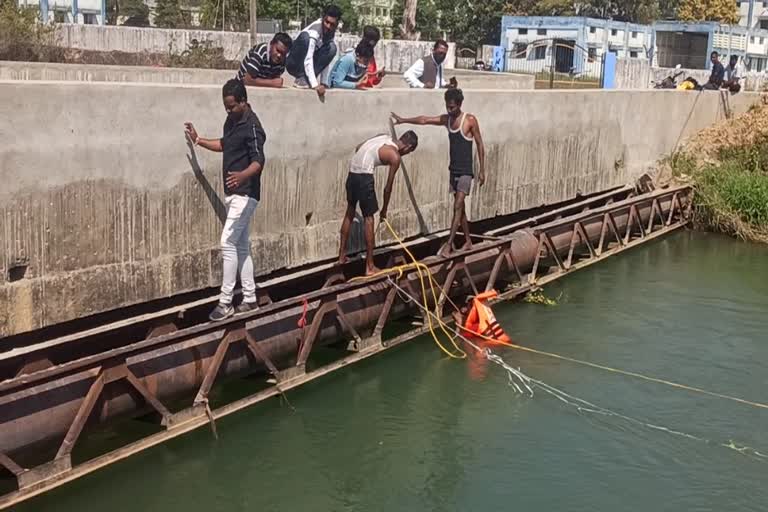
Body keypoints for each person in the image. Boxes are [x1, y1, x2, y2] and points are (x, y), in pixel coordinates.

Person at [184, 79, 267, 321]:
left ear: (244, 102)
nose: (228, 111)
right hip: (233, 196)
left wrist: (243, 175)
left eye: (232, 107)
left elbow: (259, 161)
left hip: (246, 195)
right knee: (241, 246)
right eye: (226, 107)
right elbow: (224, 144)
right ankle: (250, 298)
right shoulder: (232, 121)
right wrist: (199, 141)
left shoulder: (253, 127)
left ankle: (225, 302)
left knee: (227, 242)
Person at [391, 88, 485, 257]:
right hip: (453, 169)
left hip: (465, 171)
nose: (449, 111)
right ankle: (468, 241)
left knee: (457, 205)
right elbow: (425, 119)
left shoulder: (469, 120)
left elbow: (479, 144)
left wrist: (482, 170)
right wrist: (403, 120)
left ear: (460, 104)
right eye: (447, 107)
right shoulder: (446, 120)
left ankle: (449, 244)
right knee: (459, 207)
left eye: (452, 108)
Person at [339, 131, 419, 275]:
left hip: (352, 173)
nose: (406, 154)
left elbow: (358, 148)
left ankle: (341, 256)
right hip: (364, 177)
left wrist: (367, 160)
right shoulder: (395, 156)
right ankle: (370, 266)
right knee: (369, 219)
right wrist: (384, 210)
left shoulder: (383, 137)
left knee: (350, 211)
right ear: (408, 147)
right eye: (409, 151)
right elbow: (387, 188)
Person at [285, 5, 342, 100]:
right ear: (323, 18)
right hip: (294, 63)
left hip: (308, 65)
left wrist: (324, 82)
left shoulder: (330, 33)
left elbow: (326, 59)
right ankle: (302, 79)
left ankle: (305, 79)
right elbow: (308, 58)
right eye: (327, 22)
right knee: (305, 38)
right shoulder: (314, 32)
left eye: (332, 24)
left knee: (332, 48)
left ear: (336, 24)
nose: (328, 26)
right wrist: (315, 85)